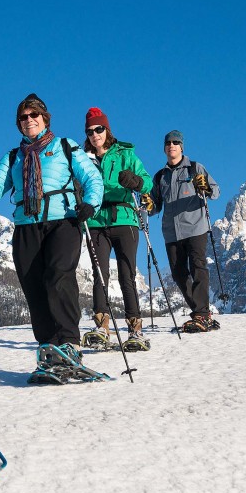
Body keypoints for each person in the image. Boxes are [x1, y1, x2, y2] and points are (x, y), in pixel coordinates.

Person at [0, 93, 103, 365]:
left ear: (45, 118)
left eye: (34, 115)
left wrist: (91, 203)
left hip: (64, 222)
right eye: (24, 116)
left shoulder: (64, 146)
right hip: (26, 226)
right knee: (33, 287)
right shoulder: (13, 157)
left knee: (58, 276)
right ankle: (48, 347)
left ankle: (69, 342)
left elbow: (91, 177)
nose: (29, 119)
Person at [79, 107, 152, 352]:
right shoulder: (82, 157)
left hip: (124, 218)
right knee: (100, 275)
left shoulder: (125, 153)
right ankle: (101, 326)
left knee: (126, 274)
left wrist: (136, 182)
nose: (94, 134)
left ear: (106, 130)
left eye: (98, 129)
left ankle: (135, 329)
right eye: (90, 131)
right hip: (97, 220)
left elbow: (147, 181)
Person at [143, 130, 221, 332]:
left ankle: (201, 314)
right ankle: (201, 313)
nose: (171, 145)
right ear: (164, 148)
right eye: (168, 143)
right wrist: (148, 205)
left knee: (198, 267)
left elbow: (215, 191)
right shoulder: (160, 176)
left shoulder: (195, 168)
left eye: (176, 142)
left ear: (182, 146)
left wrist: (206, 188)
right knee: (178, 274)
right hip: (171, 232)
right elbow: (155, 206)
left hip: (196, 227)